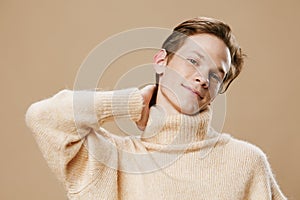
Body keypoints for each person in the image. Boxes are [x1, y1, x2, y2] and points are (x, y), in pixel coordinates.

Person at [25, 17, 287, 199]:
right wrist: (130, 104)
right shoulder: (111, 161)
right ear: (161, 61)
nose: (203, 79)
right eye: (194, 60)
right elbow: (43, 117)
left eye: (216, 75)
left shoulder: (246, 161)